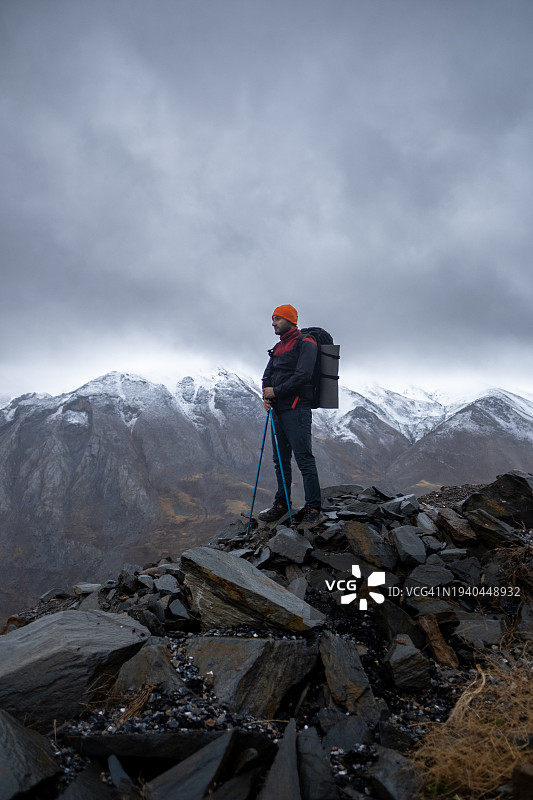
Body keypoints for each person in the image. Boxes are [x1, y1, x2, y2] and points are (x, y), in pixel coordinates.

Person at [260, 304, 324, 527]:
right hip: (278, 410)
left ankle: (314, 507)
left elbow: (303, 375)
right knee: (280, 460)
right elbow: (267, 374)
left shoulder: (306, 342)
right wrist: (265, 395)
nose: (273, 322)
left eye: (277, 318)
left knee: (304, 459)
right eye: (273, 319)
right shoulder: (278, 347)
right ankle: (282, 504)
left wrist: (275, 391)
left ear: (289, 319)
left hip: (297, 410)